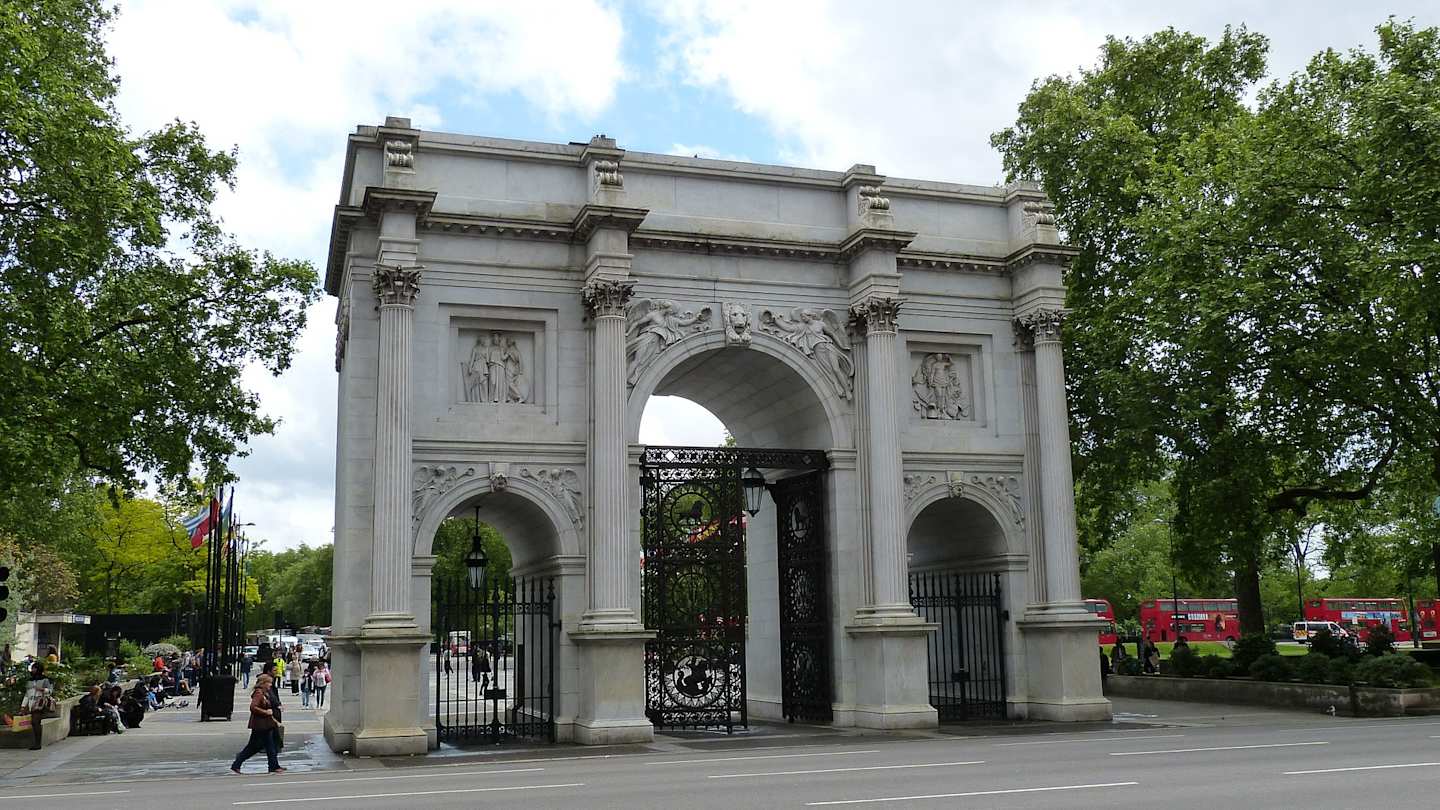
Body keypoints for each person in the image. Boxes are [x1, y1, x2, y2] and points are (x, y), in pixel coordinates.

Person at [229, 674, 285, 774]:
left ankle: (238, 764)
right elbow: (253, 707)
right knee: (261, 746)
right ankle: (238, 763)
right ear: (263, 683)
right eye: (269, 683)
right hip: (261, 725)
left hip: (265, 724)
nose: (270, 685)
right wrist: (266, 712)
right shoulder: (259, 693)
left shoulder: (264, 692)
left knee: (263, 746)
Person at [21, 661, 56, 750]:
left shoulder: (45, 680)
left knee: (35, 722)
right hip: (31, 703)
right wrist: (23, 705)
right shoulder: (30, 680)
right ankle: (37, 742)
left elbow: (50, 690)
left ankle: (38, 743)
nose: (33, 670)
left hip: (40, 703)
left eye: (34, 668)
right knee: (34, 723)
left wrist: (42, 689)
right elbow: (27, 694)